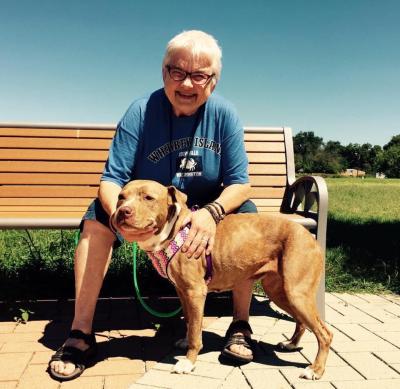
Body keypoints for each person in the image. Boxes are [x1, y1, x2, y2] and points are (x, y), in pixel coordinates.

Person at [49, 30, 257, 381]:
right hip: (149, 205)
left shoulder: (224, 114)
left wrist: (210, 213)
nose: (187, 83)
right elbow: (111, 180)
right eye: (178, 72)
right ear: (164, 72)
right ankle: (81, 333)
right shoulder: (142, 111)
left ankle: (240, 325)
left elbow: (240, 183)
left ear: (214, 81)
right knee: (96, 219)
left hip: (204, 204)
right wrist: (121, 219)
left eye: (199, 75)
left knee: (247, 213)